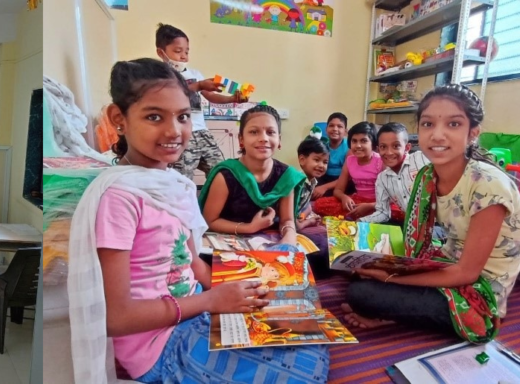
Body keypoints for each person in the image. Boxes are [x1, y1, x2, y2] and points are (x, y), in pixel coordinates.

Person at [67, 58, 328, 383]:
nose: (174, 131)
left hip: (197, 312)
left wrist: (249, 290)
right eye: (154, 116)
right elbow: (115, 318)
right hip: (158, 346)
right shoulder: (119, 198)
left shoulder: (178, 186)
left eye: (183, 117)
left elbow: (194, 266)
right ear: (119, 119)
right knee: (298, 372)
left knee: (306, 335)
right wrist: (211, 300)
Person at [342, 84, 520, 344]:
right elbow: (421, 240)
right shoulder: (430, 176)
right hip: (446, 260)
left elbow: (467, 273)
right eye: (428, 124)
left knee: (362, 294)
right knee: (360, 269)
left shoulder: (487, 184)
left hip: (479, 289)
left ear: (473, 133)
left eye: (453, 124)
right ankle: (392, 306)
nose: (437, 135)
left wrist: (391, 277)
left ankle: (391, 312)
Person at [199, 105, 306, 252]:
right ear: (241, 139)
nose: (263, 138)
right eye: (254, 132)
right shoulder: (226, 175)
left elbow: (287, 220)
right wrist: (250, 228)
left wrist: (288, 238)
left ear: (279, 140)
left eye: (270, 132)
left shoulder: (286, 176)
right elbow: (210, 221)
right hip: (229, 240)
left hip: (267, 241)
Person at [155, 23, 247, 179]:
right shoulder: (161, 75)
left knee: (221, 172)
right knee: (182, 177)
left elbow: (210, 96)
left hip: (202, 133)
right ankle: (184, 202)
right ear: (161, 52)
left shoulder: (195, 74)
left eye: (186, 51)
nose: (184, 56)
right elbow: (172, 95)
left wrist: (233, 99)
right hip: (182, 135)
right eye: (178, 51)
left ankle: (217, 201)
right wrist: (199, 85)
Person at [360, 122, 431, 224]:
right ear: (378, 149)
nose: (389, 152)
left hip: (439, 224)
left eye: (396, 146)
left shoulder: (421, 159)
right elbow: (383, 212)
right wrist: (360, 221)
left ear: (407, 148)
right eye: (383, 147)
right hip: (413, 228)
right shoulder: (382, 179)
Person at [313, 122, 383, 220]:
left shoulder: (380, 161)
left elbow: (392, 198)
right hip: (357, 200)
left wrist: (370, 206)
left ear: (373, 144)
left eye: (363, 141)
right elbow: (338, 190)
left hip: (378, 203)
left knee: (398, 210)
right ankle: (360, 215)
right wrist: (344, 198)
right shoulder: (350, 160)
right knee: (319, 204)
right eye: (354, 141)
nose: (358, 145)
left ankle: (364, 215)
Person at [296, 138, 331, 279]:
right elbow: (293, 224)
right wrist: (307, 222)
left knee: (328, 242)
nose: (321, 165)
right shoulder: (296, 183)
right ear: (302, 160)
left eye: (325, 162)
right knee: (321, 247)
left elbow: (307, 207)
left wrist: (304, 215)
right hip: (283, 224)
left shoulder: (311, 181)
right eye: (316, 160)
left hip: (294, 219)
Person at [313, 112, 350, 198]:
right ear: (326, 129)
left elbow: (348, 177)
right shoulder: (321, 145)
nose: (335, 129)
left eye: (339, 126)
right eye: (331, 126)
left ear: (345, 131)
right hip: (324, 177)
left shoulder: (349, 148)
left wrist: (324, 187)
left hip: (342, 182)